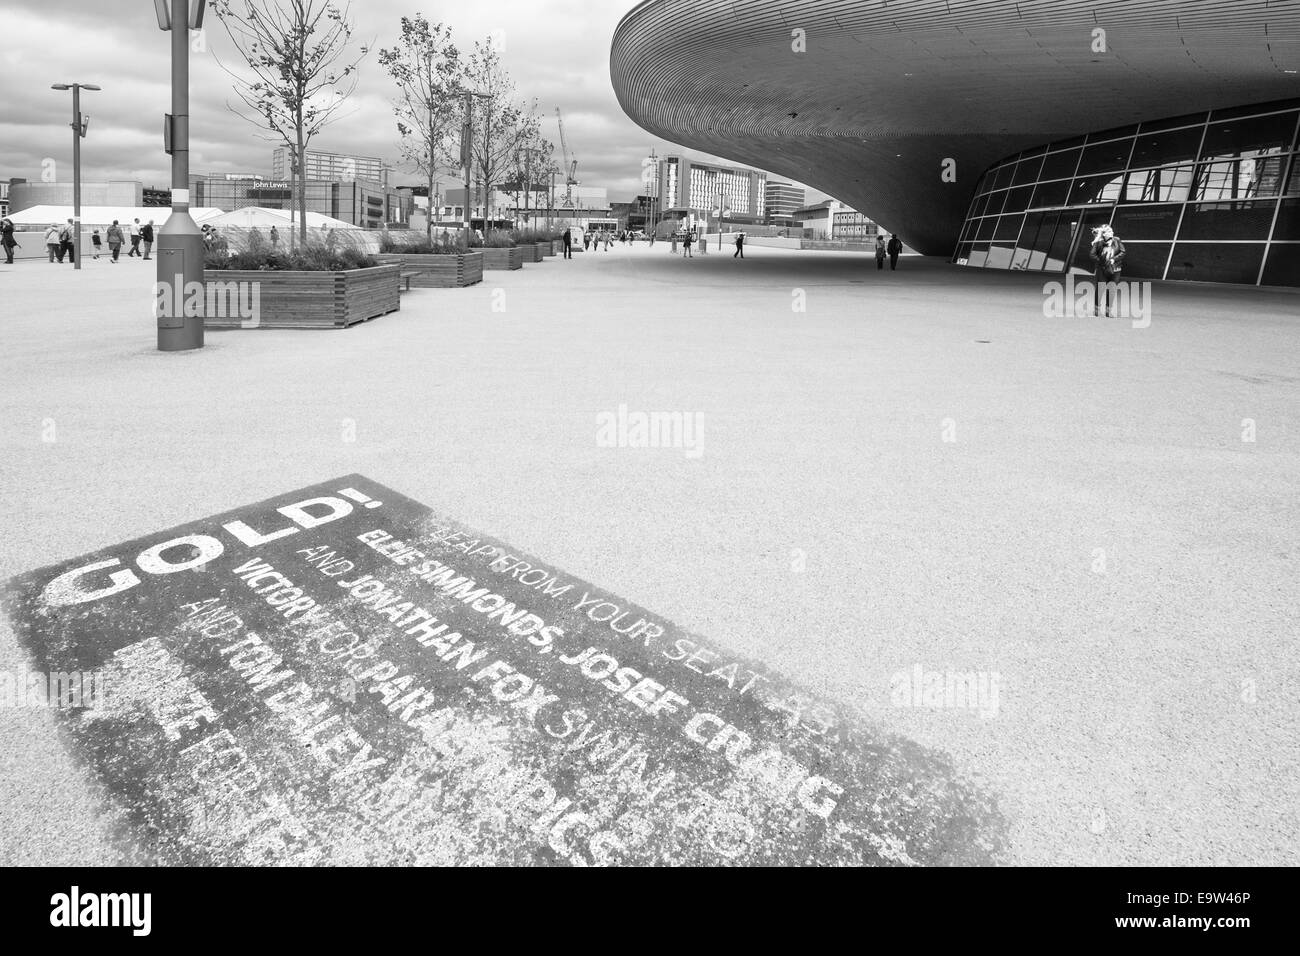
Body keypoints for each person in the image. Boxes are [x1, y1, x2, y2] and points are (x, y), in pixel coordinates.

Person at [1089, 224, 1127, 317]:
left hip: (1115, 270)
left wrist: (1114, 259)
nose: (1112, 233)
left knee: (1112, 289)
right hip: (1102, 269)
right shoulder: (1098, 242)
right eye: (1110, 231)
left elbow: (1123, 252)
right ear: (1104, 234)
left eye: (1112, 231)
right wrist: (1102, 261)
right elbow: (1092, 255)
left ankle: (1108, 311)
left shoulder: (1117, 240)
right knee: (1100, 289)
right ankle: (1096, 310)